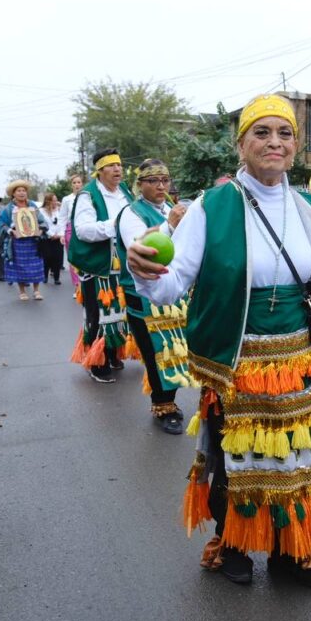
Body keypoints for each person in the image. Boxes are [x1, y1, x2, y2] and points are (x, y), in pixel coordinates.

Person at [127, 94, 311, 590]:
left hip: (297, 359)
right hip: (236, 360)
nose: (274, 143)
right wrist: (146, 273)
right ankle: (234, 544)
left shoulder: (306, 206)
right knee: (235, 459)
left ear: (295, 145)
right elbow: (174, 282)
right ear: (241, 143)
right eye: (261, 132)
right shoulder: (212, 206)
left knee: (297, 455)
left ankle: (291, 551)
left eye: (284, 134)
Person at [115, 159, 193, 434]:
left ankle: (171, 397)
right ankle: (163, 405)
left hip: (174, 292)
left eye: (165, 180)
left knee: (176, 348)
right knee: (156, 351)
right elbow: (139, 246)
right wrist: (169, 227)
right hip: (144, 295)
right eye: (153, 181)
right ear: (140, 185)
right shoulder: (131, 213)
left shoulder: (173, 209)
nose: (161, 186)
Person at [68, 149, 134, 383]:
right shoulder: (88, 195)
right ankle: (97, 361)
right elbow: (83, 231)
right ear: (100, 170)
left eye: (119, 165)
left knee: (122, 312)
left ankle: (114, 352)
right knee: (100, 314)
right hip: (99, 265)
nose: (118, 169)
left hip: (123, 262)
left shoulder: (125, 191)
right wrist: (116, 225)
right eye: (111, 166)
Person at [0, 180, 48, 301]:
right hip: (18, 242)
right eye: (18, 191)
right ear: (13, 194)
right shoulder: (9, 209)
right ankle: (22, 291)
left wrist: (41, 229)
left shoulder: (32, 206)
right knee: (19, 266)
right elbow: (1, 224)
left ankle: (36, 291)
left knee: (36, 265)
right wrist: (11, 231)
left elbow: (42, 221)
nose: (22, 193)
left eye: (24, 191)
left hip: (33, 242)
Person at [61, 174, 83, 290]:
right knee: (73, 258)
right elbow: (63, 217)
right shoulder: (67, 199)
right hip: (70, 229)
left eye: (78, 182)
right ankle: (77, 286)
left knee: (84, 256)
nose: (76, 185)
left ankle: (85, 284)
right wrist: (61, 234)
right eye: (74, 183)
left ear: (82, 183)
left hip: (84, 227)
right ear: (71, 185)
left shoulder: (88, 196)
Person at [40, 192, 65, 285]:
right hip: (46, 238)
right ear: (47, 201)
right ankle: (45, 276)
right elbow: (42, 224)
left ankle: (56, 277)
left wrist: (60, 234)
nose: (55, 202)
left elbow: (62, 223)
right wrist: (50, 234)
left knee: (57, 258)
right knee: (46, 258)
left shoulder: (59, 210)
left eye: (56, 200)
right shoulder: (41, 211)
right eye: (53, 201)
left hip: (58, 237)